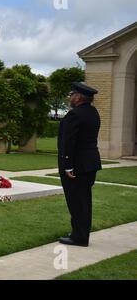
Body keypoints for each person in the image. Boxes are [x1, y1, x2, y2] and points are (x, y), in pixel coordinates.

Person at [57, 82, 102, 247]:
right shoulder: (93, 112)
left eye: (71, 94)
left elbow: (69, 142)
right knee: (84, 201)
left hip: (77, 166)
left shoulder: (74, 115)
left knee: (76, 201)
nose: (70, 97)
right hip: (89, 164)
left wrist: (68, 165)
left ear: (78, 97)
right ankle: (79, 233)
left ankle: (79, 237)